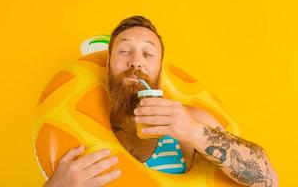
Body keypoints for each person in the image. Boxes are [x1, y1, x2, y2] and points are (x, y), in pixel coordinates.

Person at [45, 16, 278, 187]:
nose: (136, 62)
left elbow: (269, 180)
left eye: (148, 54)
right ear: (107, 65)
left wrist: (192, 130)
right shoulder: (82, 128)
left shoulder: (190, 119)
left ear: (160, 70)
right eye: (124, 51)